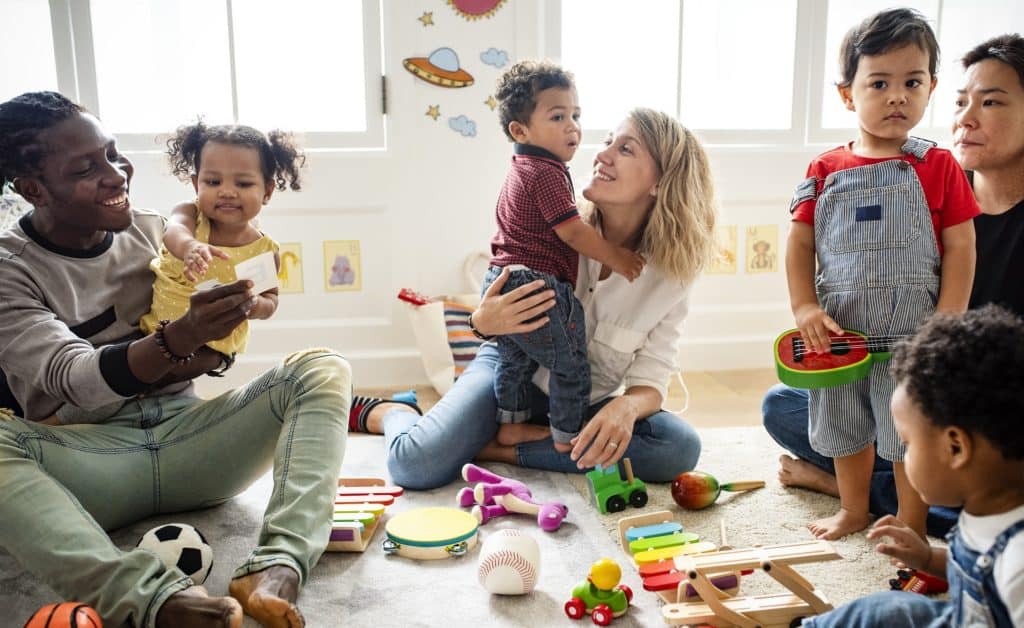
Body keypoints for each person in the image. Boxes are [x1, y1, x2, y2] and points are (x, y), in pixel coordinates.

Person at [0, 91, 350, 628]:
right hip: (92, 459)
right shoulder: (10, 270)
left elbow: (219, 340)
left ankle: (279, 564)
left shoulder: (150, 230)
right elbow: (77, 380)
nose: (117, 174)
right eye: (87, 167)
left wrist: (221, 332)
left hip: (190, 439)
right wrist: (180, 339)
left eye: (114, 153)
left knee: (321, 367)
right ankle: (146, 600)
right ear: (32, 188)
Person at [358, 107, 716, 489]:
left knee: (677, 447)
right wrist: (482, 323)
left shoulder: (672, 273)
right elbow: (488, 310)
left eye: (625, 149)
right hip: (510, 374)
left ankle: (501, 450)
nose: (601, 155)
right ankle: (392, 411)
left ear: (661, 182)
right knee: (414, 465)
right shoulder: (556, 223)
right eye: (608, 141)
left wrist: (625, 407)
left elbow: (652, 377)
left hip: (583, 401)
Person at [764, 32, 1024, 540]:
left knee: (911, 438)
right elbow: (799, 245)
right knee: (799, 409)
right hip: (852, 347)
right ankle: (859, 501)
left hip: (941, 371)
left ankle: (905, 511)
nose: (897, 97)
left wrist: (943, 327)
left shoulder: (936, 168)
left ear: (926, 86)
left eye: (912, 83)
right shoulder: (828, 170)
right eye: (879, 83)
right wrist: (805, 307)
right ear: (848, 94)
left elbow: (961, 253)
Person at [801, 305, 1024, 628]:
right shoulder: (988, 507)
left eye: (907, 444)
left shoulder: (1018, 562)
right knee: (885, 610)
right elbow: (976, 571)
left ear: (956, 448)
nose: (900, 454)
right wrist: (927, 558)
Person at [483, 60, 644, 453]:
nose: (572, 125)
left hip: (502, 277)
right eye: (557, 116)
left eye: (576, 114)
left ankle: (511, 424)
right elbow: (571, 231)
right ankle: (568, 437)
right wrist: (619, 258)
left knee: (515, 361)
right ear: (520, 131)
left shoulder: (522, 166)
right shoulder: (546, 171)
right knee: (571, 363)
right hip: (532, 282)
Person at [139, 121, 302, 363]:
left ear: (267, 191)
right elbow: (173, 232)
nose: (226, 191)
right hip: (159, 333)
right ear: (196, 185)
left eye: (243, 184)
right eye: (213, 182)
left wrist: (255, 304)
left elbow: (271, 299)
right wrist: (191, 247)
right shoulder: (190, 216)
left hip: (215, 348)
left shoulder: (262, 251)